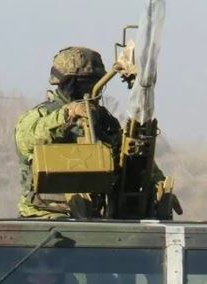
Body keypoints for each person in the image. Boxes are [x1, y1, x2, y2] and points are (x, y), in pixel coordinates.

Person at [14, 46, 172, 220]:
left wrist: (158, 186)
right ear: (66, 83)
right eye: (83, 82)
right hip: (45, 215)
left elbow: (126, 154)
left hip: (92, 217)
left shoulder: (102, 120)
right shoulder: (43, 114)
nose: (90, 88)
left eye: (94, 81)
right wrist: (67, 114)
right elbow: (26, 140)